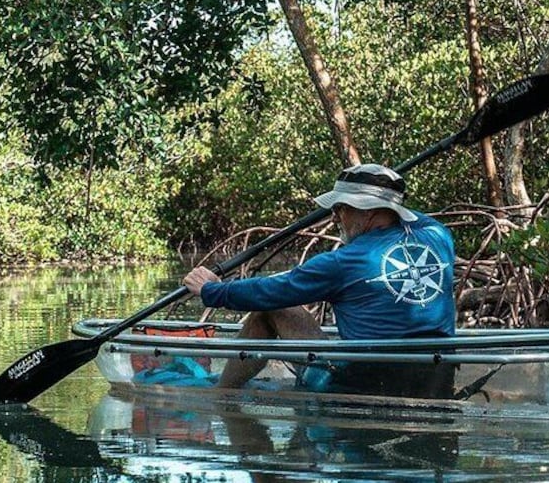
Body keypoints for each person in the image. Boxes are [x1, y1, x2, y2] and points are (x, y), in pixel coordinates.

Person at [183, 163, 456, 396]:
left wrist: (211, 290)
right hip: (435, 382)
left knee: (269, 310)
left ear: (367, 210)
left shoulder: (343, 262)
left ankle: (222, 394)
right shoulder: (438, 236)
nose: (335, 216)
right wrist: (390, 201)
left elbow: (271, 291)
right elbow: (413, 219)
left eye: (340, 208)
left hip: (363, 386)